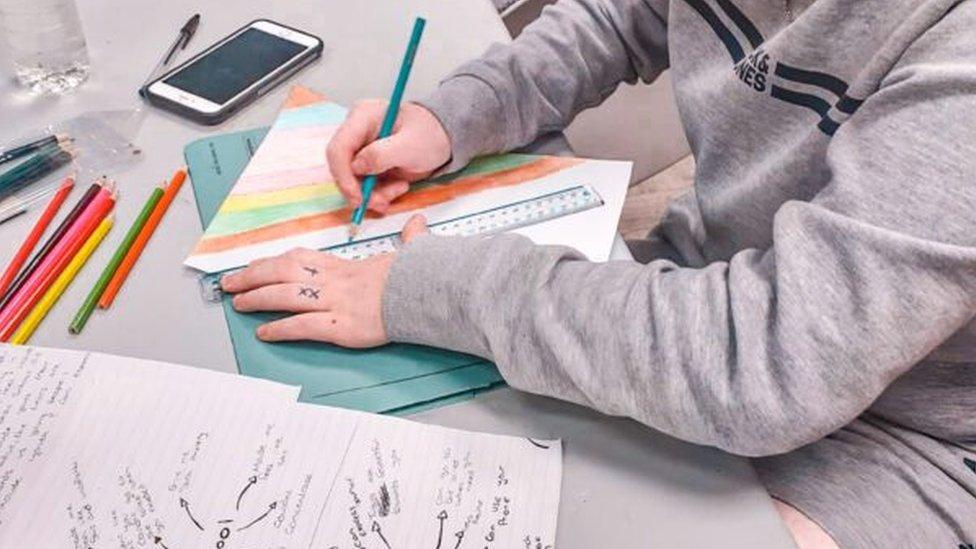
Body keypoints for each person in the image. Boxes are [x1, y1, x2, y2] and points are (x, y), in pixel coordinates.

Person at [219, 0, 976, 546]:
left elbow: (771, 363)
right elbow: (618, 18)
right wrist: (456, 114)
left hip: (911, 434)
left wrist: (426, 289)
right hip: (706, 295)